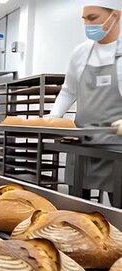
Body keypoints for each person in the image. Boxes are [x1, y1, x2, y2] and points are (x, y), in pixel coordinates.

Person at [50, 0, 122, 200]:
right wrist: (53, 119)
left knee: (118, 208)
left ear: (115, 15)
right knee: (77, 206)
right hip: (82, 143)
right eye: (84, 20)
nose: (88, 25)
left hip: (116, 146)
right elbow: (68, 91)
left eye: (93, 18)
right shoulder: (81, 52)